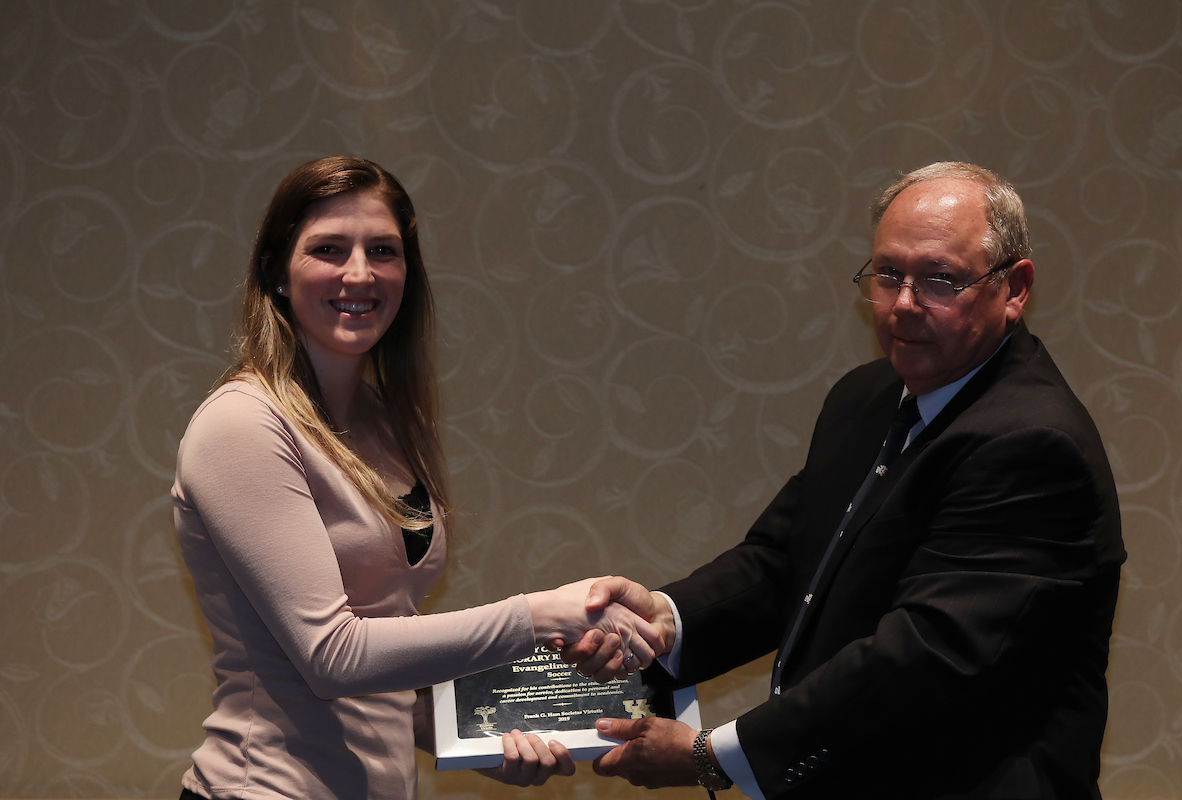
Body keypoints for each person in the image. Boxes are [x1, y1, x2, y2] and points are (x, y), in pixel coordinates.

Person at [564, 162, 1125, 799]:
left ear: (1014, 287)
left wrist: (713, 754)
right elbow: (783, 561)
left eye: (940, 279)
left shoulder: (1032, 444)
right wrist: (664, 619)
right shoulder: (866, 397)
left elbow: (922, 655)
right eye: (889, 275)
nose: (906, 304)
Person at [171, 156, 660, 800]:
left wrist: (472, 735)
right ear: (276, 273)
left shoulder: (388, 418)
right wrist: (543, 615)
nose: (359, 273)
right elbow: (332, 657)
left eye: (382, 250)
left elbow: (382, 656)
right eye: (327, 249)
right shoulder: (242, 425)